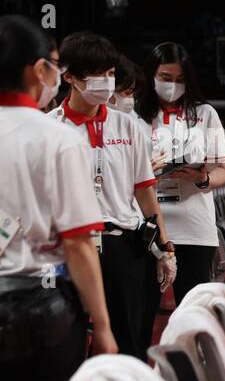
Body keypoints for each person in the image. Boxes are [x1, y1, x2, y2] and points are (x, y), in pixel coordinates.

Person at [0, 15, 115, 381]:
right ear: (35, 72)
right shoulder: (55, 138)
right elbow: (79, 245)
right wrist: (104, 327)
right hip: (40, 310)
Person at [48, 33, 175, 360]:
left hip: (123, 245)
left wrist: (165, 247)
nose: (106, 82)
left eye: (110, 74)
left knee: (129, 342)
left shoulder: (128, 126)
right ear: (70, 77)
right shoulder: (49, 128)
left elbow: (145, 193)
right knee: (67, 342)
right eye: (96, 74)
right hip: (69, 248)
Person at [136, 42, 225, 308]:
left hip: (195, 230)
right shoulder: (135, 117)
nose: (172, 85)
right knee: (141, 316)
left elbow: (221, 170)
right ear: (151, 76)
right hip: (147, 229)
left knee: (194, 315)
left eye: (180, 80)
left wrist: (202, 179)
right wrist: (146, 170)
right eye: (165, 78)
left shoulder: (204, 113)